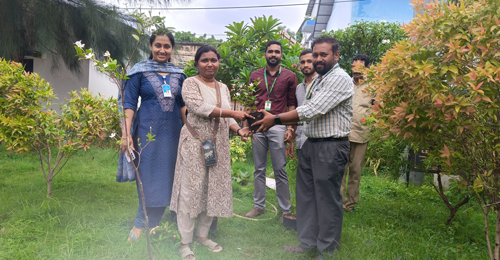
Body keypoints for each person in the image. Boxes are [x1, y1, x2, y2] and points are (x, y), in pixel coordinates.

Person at [251, 36, 354, 260]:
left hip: (331, 146)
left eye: (323, 55)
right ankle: (307, 242)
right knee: (306, 196)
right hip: (310, 143)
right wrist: (291, 133)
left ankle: (327, 250)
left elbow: (311, 110)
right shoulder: (319, 80)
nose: (317, 59)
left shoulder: (339, 79)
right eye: (315, 54)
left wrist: (275, 119)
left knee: (327, 199)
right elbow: (304, 111)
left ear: (335, 56)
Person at [169, 45, 252, 260]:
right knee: (190, 190)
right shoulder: (190, 83)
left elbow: (227, 117)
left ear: (218, 63)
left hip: (218, 146)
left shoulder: (223, 87)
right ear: (196, 63)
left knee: (211, 189)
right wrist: (234, 112)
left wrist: (238, 129)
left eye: (213, 60)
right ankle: (185, 242)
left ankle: (202, 236)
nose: (209, 64)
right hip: (194, 143)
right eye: (204, 60)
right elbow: (199, 108)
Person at [117, 30, 187, 243]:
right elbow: (128, 104)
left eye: (167, 46)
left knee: (172, 174)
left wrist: (190, 133)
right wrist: (126, 133)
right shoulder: (138, 71)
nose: (162, 50)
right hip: (147, 132)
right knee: (147, 175)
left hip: (174, 132)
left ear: (172, 48)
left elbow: (183, 106)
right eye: (158, 45)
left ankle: (162, 221)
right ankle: (141, 222)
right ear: (151, 46)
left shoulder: (179, 74)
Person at [244, 40, 298, 218]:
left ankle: (285, 209)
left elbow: (291, 104)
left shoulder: (289, 76)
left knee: (280, 168)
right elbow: (250, 102)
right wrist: (246, 125)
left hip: (277, 126)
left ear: (281, 55)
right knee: (259, 168)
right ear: (265, 54)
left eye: (277, 52)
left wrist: (291, 128)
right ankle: (258, 206)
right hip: (258, 126)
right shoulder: (255, 75)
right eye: (270, 51)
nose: (273, 54)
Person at [340, 54, 374, 212]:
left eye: (360, 67)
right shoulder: (345, 83)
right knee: (340, 169)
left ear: (367, 68)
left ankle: (350, 204)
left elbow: (378, 109)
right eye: (354, 67)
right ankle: (338, 203)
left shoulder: (373, 86)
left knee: (355, 170)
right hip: (343, 132)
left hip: (362, 134)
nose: (356, 70)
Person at [287, 49, 317, 158]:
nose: (306, 65)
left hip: (318, 143)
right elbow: (297, 115)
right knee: (302, 175)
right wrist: (291, 136)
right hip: (301, 140)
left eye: (309, 61)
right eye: (303, 62)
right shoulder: (299, 88)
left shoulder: (322, 86)